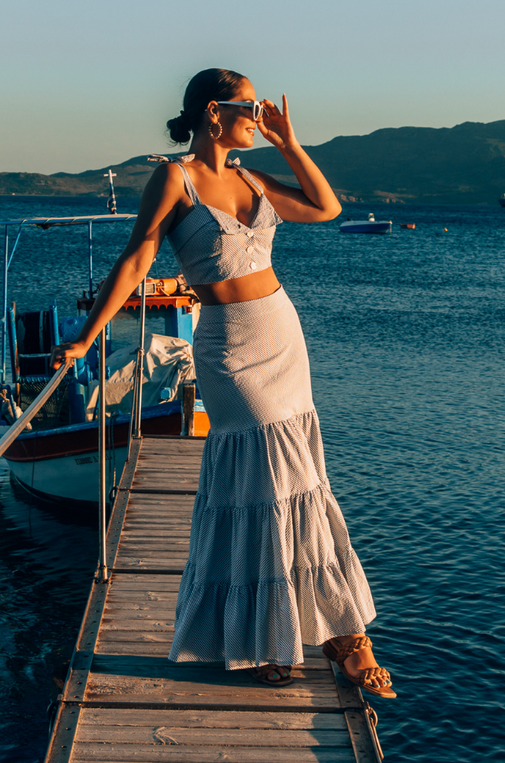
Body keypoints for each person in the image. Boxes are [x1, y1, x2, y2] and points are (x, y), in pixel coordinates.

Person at [51, 68, 395, 695]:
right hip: (230, 348)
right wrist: (86, 335)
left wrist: (289, 143)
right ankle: (265, 635)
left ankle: (335, 632)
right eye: (250, 106)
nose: (259, 116)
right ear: (214, 112)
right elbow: (136, 258)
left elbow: (327, 208)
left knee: (301, 480)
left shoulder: (252, 177)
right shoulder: (174, 178)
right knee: (261, 481)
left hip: (281, 337)